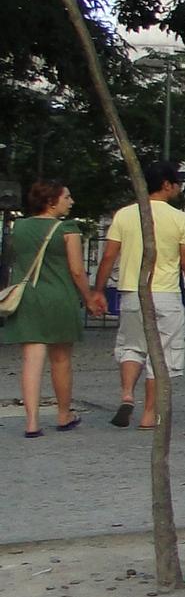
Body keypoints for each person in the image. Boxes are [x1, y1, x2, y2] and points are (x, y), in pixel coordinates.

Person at [93, 161, 185, 429]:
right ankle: (149, 414)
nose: (178, 188)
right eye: (176, 183)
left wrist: (97, 290)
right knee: (163, 355)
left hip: (132, 292)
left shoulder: (125, 215)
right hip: (166, 293)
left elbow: (109, 255)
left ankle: (128, 394)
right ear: (166, 185)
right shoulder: (182, 220)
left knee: (131, 346)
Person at [3, 180, 103, 436]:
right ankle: (63, 414)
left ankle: (32, 422)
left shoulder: (21, 227)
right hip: (60, 297)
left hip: (28, 298)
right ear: (51, 201)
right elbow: (77, 270)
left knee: (31, 360)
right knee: (61, 359)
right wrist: (89, 297)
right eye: (66, 197)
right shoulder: (67, 228)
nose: (71, 202)